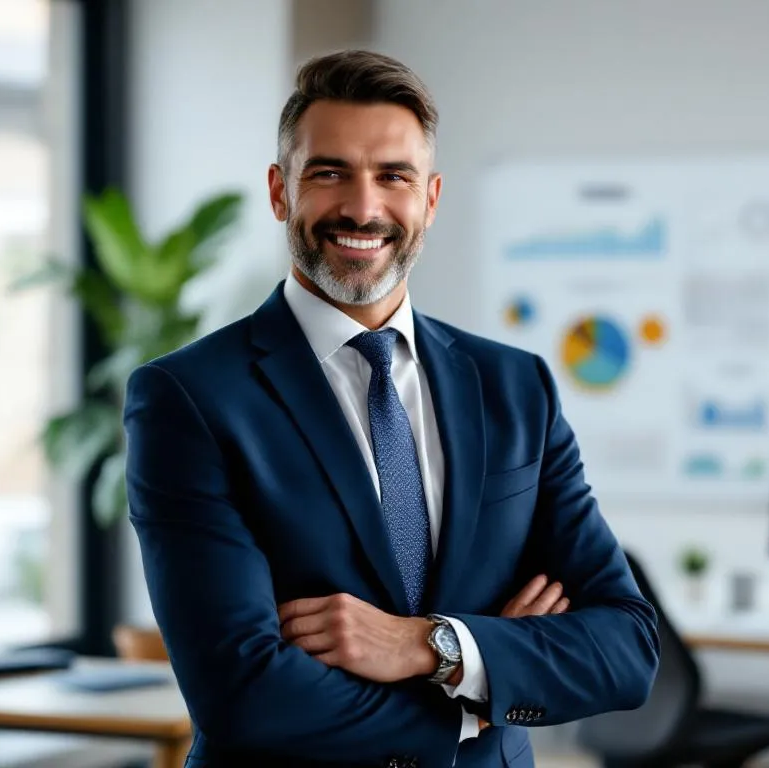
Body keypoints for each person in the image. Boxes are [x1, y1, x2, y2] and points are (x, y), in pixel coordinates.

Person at [123, 49, 659, 768]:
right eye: (329, 172)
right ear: (281, 192)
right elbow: (242, 691)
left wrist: (428, 646)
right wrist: (479, 698)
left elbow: (626, 647)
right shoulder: (189, 399)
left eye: (393, 177)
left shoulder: (514, 387)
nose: (363, 208)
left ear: (430, 199)